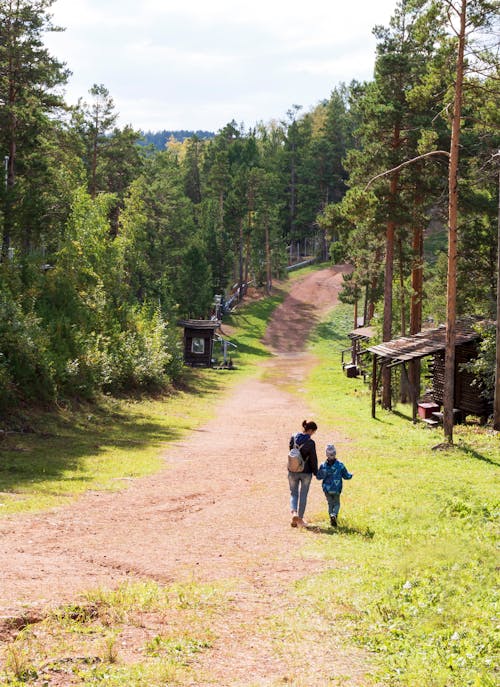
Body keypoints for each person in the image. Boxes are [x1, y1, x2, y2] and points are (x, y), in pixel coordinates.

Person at [288, 420, 318, 528]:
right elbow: (313, 459)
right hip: (306, 472)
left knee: (293, 493)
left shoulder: (294, 437)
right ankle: (300, 519)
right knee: (303, 495)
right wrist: (316, 472)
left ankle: (294, 513)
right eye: (313, 432)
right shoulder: (310, 443)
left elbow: (291, 451)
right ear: (310, 430)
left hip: (292, 470)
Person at [316, 444, 352, 527]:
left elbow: (319, 477)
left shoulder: (323, 466)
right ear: (335, 453)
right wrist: (351, 475)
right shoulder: (340, 465)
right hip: (336, 488)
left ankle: (331, 517)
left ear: (326, 454)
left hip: (327, 489)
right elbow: (346, 475)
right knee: (337, 503)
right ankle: (334, 515)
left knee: (330, 503)